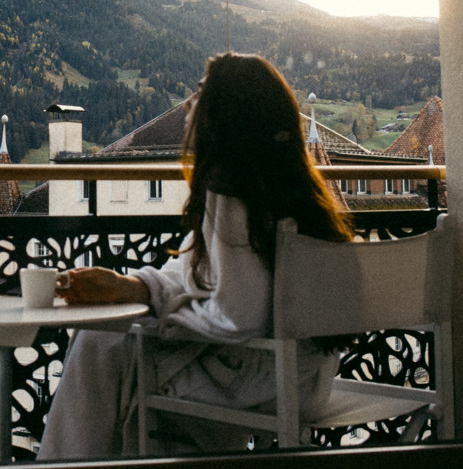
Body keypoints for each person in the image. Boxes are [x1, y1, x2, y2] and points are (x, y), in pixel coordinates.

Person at [36, 53, 354, 461]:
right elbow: (204, 275)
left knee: (100, 341)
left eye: (201, 92)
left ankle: (61, 466)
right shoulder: (302, 195)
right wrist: (136, 288)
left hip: (261, 379)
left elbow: (239, 316)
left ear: (227, 111)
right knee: (113, 346)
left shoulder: (233, 192)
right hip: (308, 380)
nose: (188, 103)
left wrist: (159, 316)